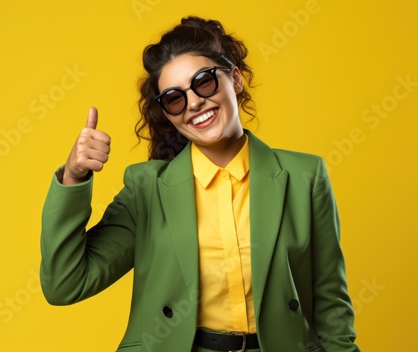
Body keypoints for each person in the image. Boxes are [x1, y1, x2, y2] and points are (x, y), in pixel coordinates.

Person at [40, 16, 360, 352]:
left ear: (234, 79)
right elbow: (64, 284)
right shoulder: (147, 190)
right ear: (167, 113)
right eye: (175, 98)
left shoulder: (305, 177)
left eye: (204, 82)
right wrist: (74, 178)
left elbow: (331, 305)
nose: (193, 103)